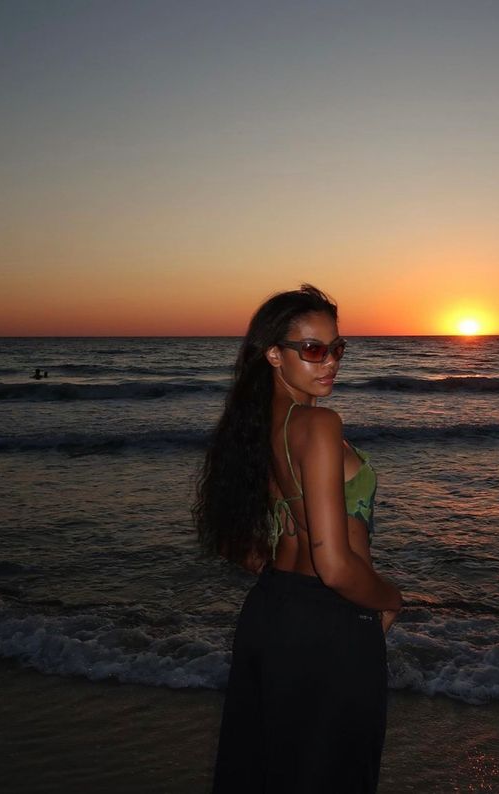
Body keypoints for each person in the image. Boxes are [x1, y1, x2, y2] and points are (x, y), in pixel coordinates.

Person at [193, 284, 402, 793]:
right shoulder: (318, 425)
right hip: (328, 621)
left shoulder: (250, 426)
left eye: (337, 348)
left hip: (271, 613)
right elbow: (335, 564)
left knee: (267, 772)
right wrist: (389, 599)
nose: (329, 361)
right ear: (272, 354)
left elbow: (231, 540)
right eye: (312, 349)